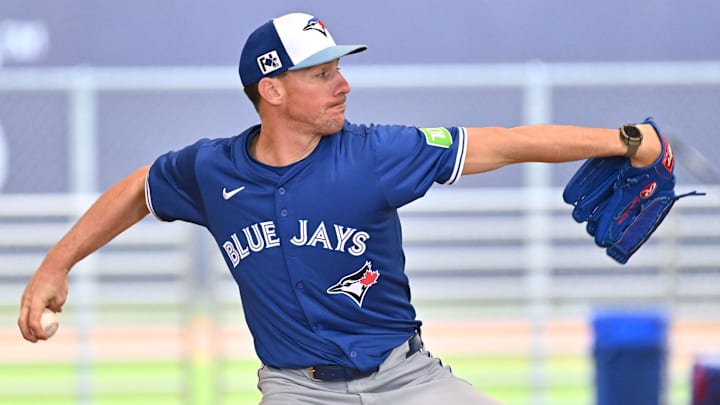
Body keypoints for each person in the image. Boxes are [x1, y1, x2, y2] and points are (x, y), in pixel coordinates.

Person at [18, 12, 662, 405]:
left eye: (338, 68)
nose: (343, 83)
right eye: (321, 73)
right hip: (295, 390)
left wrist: (626, 140)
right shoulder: (211, 170)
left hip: (406, 383)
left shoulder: (377, 153)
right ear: (271, 90)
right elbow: (141, 188)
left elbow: (501, 144)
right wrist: (57, 264)